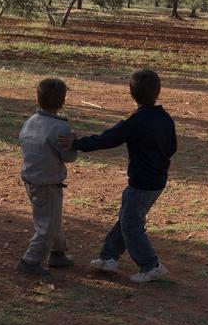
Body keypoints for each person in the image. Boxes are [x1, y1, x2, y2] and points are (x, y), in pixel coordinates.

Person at [69, 69, 177, 283]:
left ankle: (150, 265)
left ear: (131, 93)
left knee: (130, 223)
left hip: (141, 181)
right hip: (157, 180)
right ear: (158, 91)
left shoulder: (135, 120)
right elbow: (172, 148)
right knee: (128, 218)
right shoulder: (165, 118)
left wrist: (77, 144)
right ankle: (108, 257)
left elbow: (107, 139)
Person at [17, 78, 77, 276]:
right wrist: (74, 142)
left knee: (51, 218)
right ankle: (30, 260)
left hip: (31, 177)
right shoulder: (60, 128)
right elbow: (69, 157)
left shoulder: (30, 122)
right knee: (48, 224)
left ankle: (57, 252)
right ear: (63, 101)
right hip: (48, 181)